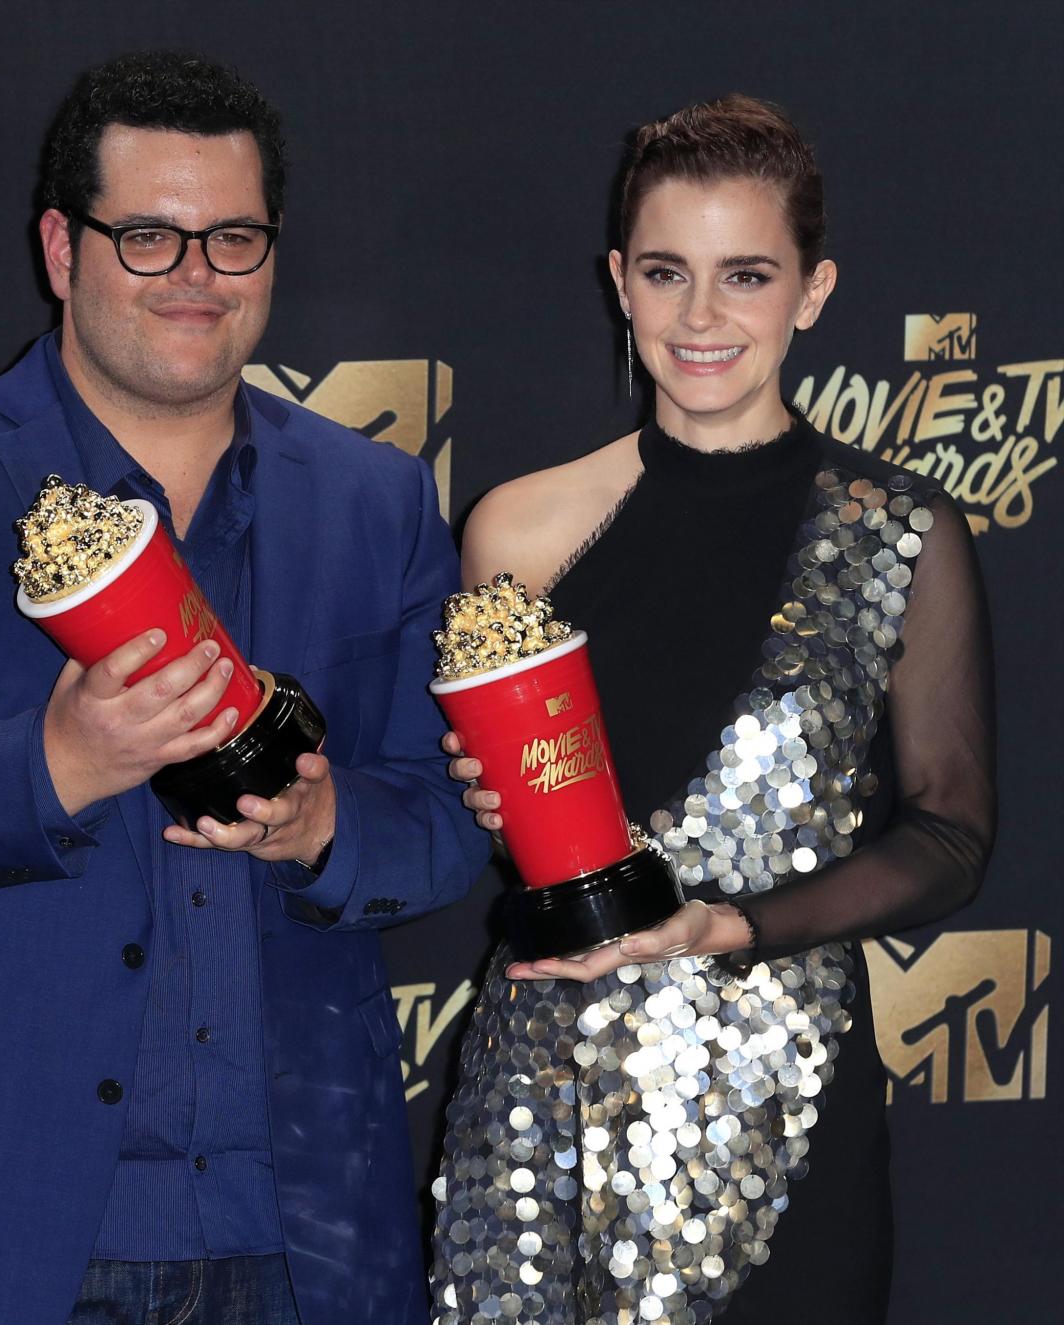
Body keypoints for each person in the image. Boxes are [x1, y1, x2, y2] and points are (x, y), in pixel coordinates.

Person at [0, 50, 488, 1325]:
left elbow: (441, 818)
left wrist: (323, 828)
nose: (196, 276)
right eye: (148, 236)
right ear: (59, 246)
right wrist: (58, 761)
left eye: (232, 238)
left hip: (298, 1235)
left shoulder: (375, 500)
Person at [429, 95, 995, 1324]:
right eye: (664, 272)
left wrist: (728, 928)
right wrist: (489, 795)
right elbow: (507, 818)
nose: (699, 318)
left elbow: (949, 836)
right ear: (616, 283)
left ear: (811, 288)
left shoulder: (895, 528)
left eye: (744, 275)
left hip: (786, 1110)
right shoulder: (514, 529)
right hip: (551, 1104)